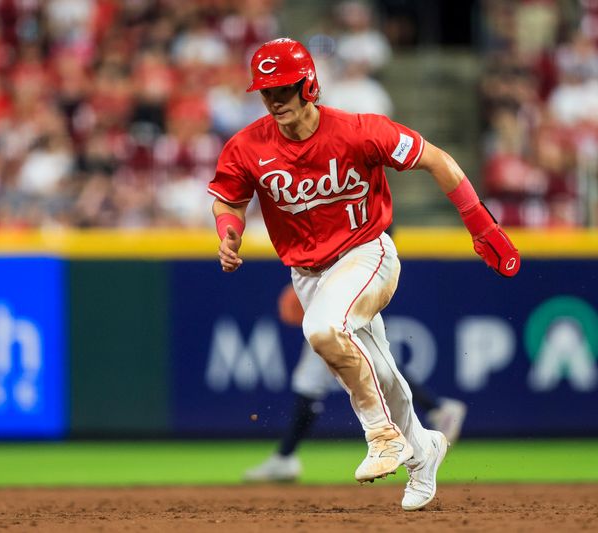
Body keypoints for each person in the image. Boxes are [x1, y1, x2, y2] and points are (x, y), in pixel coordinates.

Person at [208, 38, 519, 511]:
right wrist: (228, 230)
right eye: (265, 91)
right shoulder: (247, 146)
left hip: (365, 254)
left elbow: (437, 159)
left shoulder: (357, 131)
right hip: (308, 274)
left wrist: (480, 224)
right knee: (383, 371)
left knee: (322, 329)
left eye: (283, 89)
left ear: (308, 84)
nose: (274, 100)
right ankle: (423, 448)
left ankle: (381, 436)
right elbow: (228, 198)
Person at [243, 282, 469, 483]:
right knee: (368, 366)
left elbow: (378, 236)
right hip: (340, 290)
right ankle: (435, 408)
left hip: (345, 290)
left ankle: (432, 414)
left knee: (330, 376)